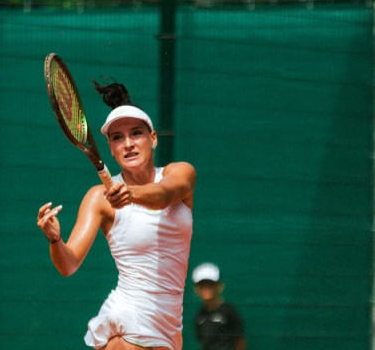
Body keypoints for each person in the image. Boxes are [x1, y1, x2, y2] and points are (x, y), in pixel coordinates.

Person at [37, 81, 196, 350]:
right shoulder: (99, 198)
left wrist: (131, 195)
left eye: (137, 134)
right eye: (118, 138)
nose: (129, 144)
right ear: (110, 148)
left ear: (153, 138)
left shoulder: (179, 172)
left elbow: (165, 194)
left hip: (169, 324)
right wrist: (55, 239)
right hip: (129, 318)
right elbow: (69, 265)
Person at [191, 263, 246, 350]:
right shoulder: (199, 315)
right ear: (196, 289)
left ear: (219, 286)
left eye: (210, 284)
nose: (206, 288)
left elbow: (239, 341)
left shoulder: (229, 311)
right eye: (202, 285)